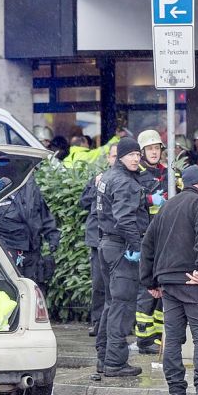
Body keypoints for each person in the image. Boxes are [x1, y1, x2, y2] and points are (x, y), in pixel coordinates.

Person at [140, 165, 198, 395]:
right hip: (193, 281)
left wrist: (149, 281)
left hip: (168, 284)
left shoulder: (166, 207)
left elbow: (147, 244)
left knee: (172, 339)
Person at [94, 138, 147, 378]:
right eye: (131, 155)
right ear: (121, 157)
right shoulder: (126, 183)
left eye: (138, 154)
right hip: (122, 248)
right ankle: (115, 362)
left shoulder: (107, 177)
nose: (136, 158)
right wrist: (137, 246)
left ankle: (104, 358)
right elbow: (125, 219)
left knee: (111, 303)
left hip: (106, 245)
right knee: (122, 305)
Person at [0, 178, 60, 287]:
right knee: (10, 289)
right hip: (8, 252)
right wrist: (2, 250)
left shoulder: (29, 186)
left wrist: (53, 238)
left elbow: (43, 214)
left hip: (33, 251)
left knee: (34, 290)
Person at [133, 129, 168, 355]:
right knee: (147, 289)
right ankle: (144, 338)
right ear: (142, 151)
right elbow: (128, 199)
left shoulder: (168, 173)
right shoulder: (136, 174)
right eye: (150, 149)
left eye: (157, 148)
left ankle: (157, 333)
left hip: (165, 238)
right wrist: (149, 199)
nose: (154, 152)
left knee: (163, 287)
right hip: (146, 236)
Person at [80, 143, 118, 337]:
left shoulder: (127, 180)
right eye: (113, 156)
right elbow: (83, 203)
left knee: (119, 285)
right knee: (99, 285)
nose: (115, 159)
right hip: (97, 240)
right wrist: (95, 186)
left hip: (118, 240)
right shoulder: (99, 179)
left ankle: (117, 324)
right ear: (108, 159)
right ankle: (97, 322)